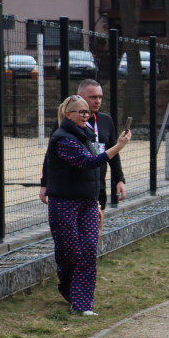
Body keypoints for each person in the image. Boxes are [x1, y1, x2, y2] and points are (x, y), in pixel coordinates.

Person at [43, 94, 131, 315]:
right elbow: (88, 163)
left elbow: (97, 169)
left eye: (87, 112)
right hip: (64, 203)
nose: (85, 116)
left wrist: (96, 202)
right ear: (68, 114)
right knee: (71, 252)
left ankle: (82, 305)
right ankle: (68, 288)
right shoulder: (63, 139)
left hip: (88, 203)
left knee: (89, 251)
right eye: (81, 112)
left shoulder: (87, 136)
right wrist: (118, 146)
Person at [40, 79, 126, 233]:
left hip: (97, 186)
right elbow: (50, 156)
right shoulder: (65, 124)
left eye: (100, 97)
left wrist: (119, 179)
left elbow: (113, 153)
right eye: (93, 97)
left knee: (94, 235)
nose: (98, 101)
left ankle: (93, 250)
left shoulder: (106, 120)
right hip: (72, 189)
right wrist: (45, 183)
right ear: (79, 96)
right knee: (72, 237)